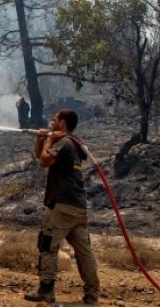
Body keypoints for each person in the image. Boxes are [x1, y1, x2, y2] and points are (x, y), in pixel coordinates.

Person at [25, 109, 100, 305]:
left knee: (48, 246)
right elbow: (41, 157)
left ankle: (46, 292)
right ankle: (92, 296)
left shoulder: (64, 143)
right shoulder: (73, 143)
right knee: (84, 252)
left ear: (63, 123)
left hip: (62, 206)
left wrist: (49, 142)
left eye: (55, 119)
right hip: (78, 208)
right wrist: (41, 139)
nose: (51, 121)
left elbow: (44, 161)